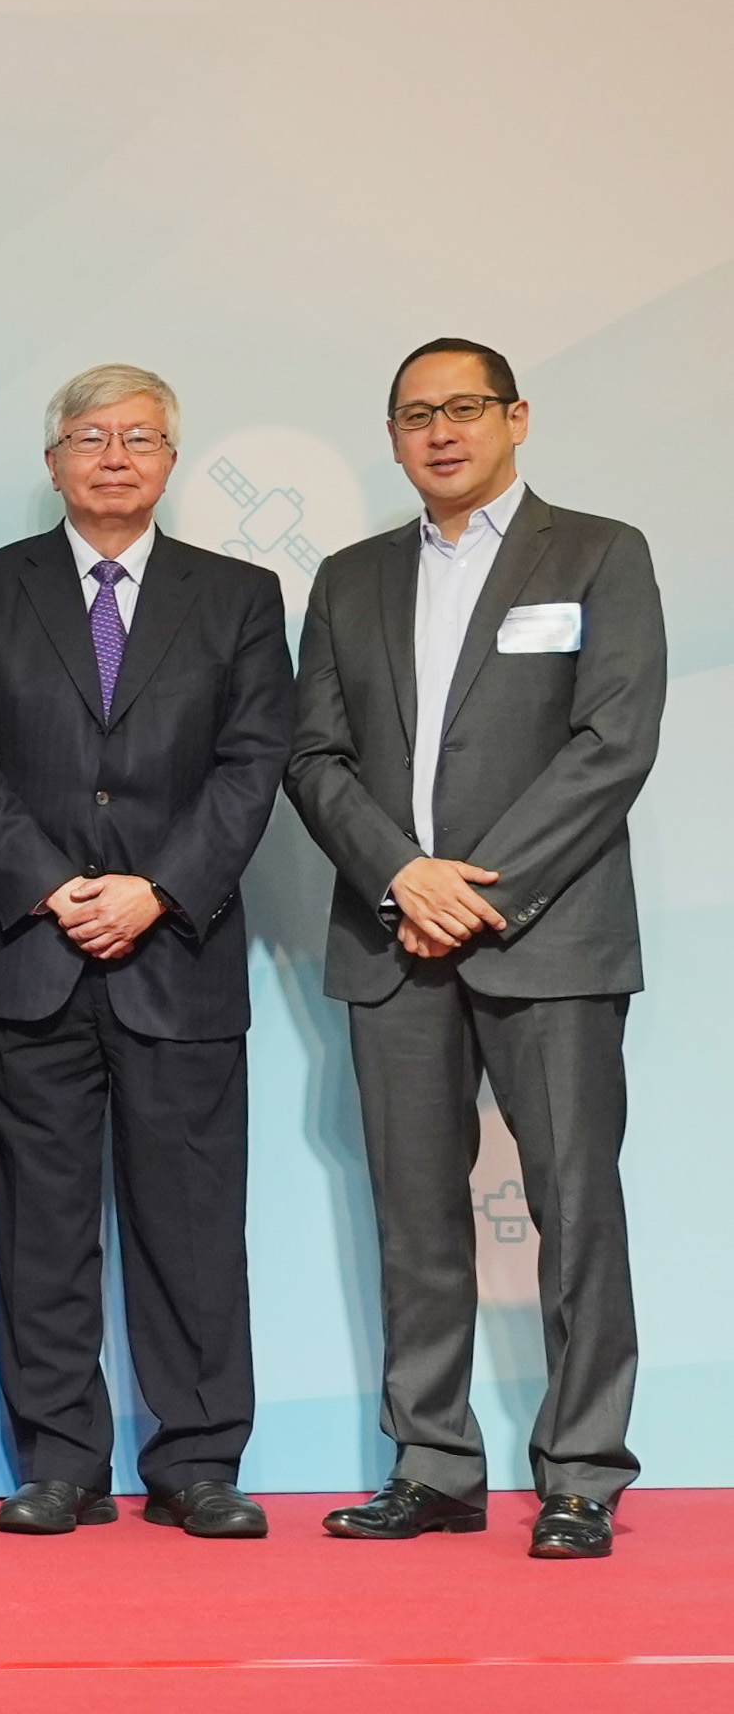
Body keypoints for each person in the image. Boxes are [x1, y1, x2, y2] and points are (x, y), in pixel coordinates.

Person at [287, 339, 660, 1560]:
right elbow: (312, 755)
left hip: (546, 937)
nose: (439, 431)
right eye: (412, 414)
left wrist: (481, 889)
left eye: (461, 408)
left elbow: (611, 742)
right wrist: (402, 873)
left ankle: (581, 1470)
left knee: (571, 1207)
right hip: (391, 936)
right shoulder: (345, 577)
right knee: (414, 1216)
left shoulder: (598, 551)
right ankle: (433, 1462)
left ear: (514, 417)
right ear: (391, 437)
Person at [0, 364, 290, 1540]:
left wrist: (156, 888)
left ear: (169, 458)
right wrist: (49, 883)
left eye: (138, 435)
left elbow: (254, 764)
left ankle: (196, 1458)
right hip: (28, 958)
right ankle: (60, 1459)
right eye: (88, 435)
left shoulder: (238, 595)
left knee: (189, 1223)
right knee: (38, 1226)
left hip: (176, 954)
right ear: (51, 459)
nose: (112, 454)